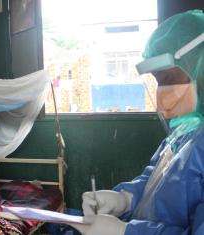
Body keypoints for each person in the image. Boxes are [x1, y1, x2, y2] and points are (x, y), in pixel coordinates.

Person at [70, 10, 204, 235]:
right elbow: (154, 180)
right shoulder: (185, 132)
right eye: (157, 81)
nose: (162, 93)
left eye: (169, 79)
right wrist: (125, 199)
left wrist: (126, 231)